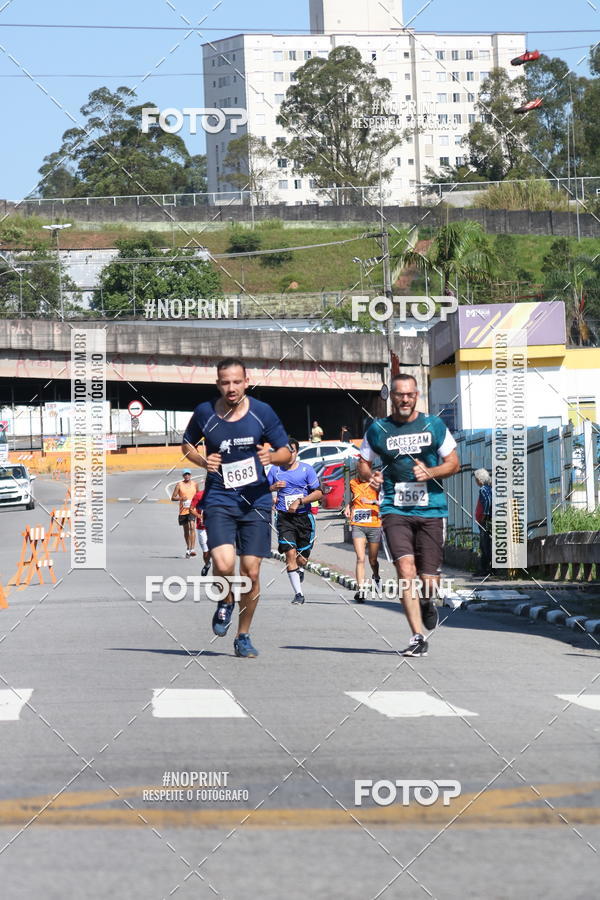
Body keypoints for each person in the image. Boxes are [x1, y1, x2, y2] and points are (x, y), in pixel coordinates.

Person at [181, 358, 291, 659]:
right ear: (218, 384)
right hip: (219, 497)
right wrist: (204, 462)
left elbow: (286, 451)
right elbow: (187, 444)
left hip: (255, 500)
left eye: (236, 382)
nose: (231, 388)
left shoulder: (261, 413)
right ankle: (226, 600)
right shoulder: (205, 412)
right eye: (225, 382)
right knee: (225, 563)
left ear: (246, 381)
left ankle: (243, 635)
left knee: (252, 573)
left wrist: (273, 456)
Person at [358, 373, 460, 657]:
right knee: (405, 571)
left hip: (432, 508)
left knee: (429, 578)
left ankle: (428, 601)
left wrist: (432, 471)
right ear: (392, 396)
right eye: (400, 394)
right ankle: (417, 637)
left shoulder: (433, 424)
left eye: (410, 394)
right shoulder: (378, 429)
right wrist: (371, 477)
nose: (405, 399)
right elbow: (363, 464)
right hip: (394, 508)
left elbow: (453, 464)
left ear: (417, 396)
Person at [268, 438, 323, 605]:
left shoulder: (306, 470)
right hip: (284, 518)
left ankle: (299, 568)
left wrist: (301, 501)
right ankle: (299, 594)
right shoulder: (274, 470)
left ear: (296, 452)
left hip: (304, 518)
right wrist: (273, 488)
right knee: (289, 553)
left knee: (301, 558)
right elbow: (261, 490)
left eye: (290, 450)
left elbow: (319, 492)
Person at [344, 471, 382, 603]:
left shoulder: (376, 483)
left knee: (373, 560)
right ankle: (361, 591)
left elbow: (385, 501)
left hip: (374, 524)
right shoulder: (353, 483)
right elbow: (354, 497)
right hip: (358, 524)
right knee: (360, 558)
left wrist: (372, 502)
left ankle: (376, 576)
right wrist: (348, 506)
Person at [171, 469, 199, 558]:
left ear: (190, 475)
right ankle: (188, 548)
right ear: (183, 476)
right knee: (186, 530)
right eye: (185, 474)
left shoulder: (195, 484)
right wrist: (181, 498)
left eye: (188, 474)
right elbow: (173, 497)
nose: (187, 476)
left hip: (192, 509)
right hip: (183, 511)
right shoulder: (179, 485)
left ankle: (193, 549)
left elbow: (198, 496)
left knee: (192, 527)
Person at [474, 469, 492, 576]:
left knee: (484, 544)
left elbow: (488, 501)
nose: (476, 482)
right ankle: (490, 569)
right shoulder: (490, 488)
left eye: (476, 480)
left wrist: (484, 515)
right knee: (487, 544)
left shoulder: (483, 489)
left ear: (480, 480)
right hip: (489, 520)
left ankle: (484, 570)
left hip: (485, 521)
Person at [190, 487, 212, 576]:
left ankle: (218, 575)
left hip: (214, 527)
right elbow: (191, 509)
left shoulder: (219, 495)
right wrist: (199, 516)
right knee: (205, 551)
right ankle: (207, 564)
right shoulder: (198, 495)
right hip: (201, 527)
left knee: (216, 551)